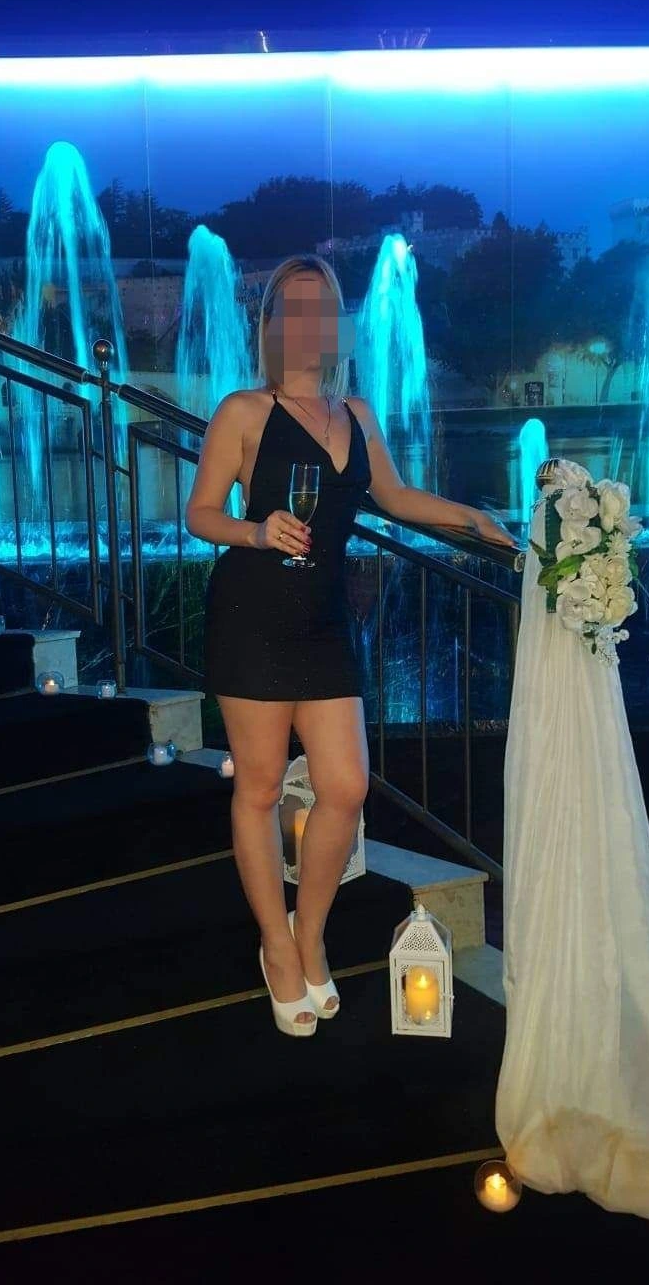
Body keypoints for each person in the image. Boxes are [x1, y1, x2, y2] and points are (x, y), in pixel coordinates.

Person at [185, 253, 517, 1038]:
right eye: (293, 309)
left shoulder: (356, 414)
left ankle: (308, 933)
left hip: (324, 621)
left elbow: (394, 497)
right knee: (259, 788)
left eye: (321, 309)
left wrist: (471, 518)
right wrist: (255, 530)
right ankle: (276, 948)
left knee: (343, 786)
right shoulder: (243, 411)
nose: (308, 324)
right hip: (251, 613)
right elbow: (199, 514)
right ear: (271, 325)